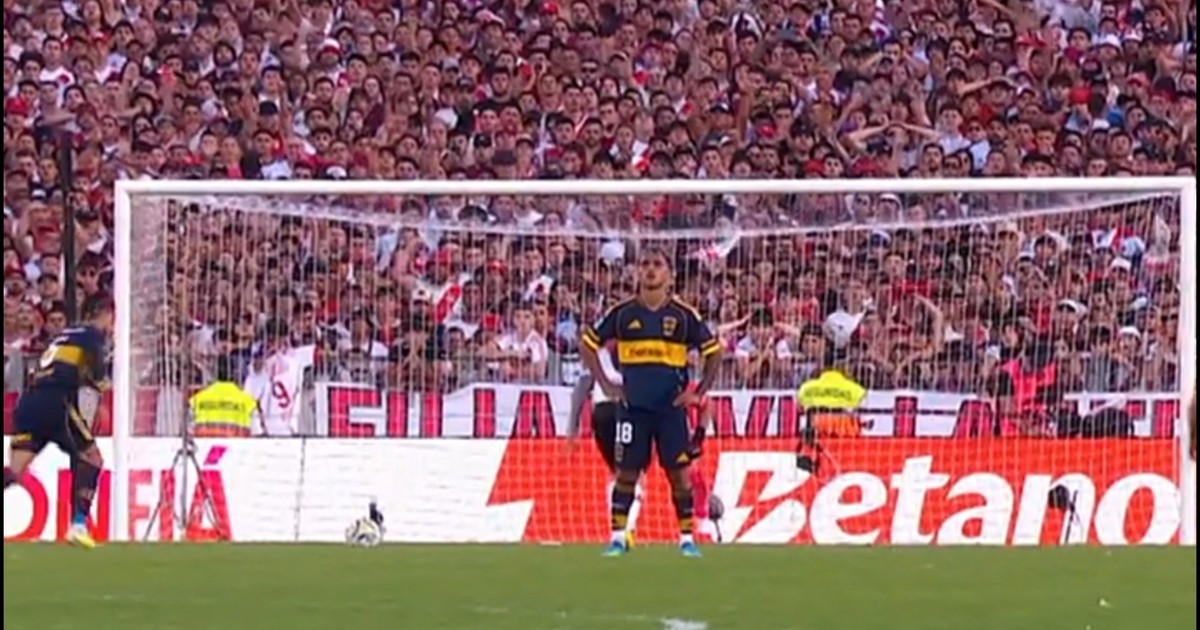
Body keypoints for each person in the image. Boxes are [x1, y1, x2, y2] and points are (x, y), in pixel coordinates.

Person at [580, 247, 722, 558]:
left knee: (679, 475)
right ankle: (618, 538)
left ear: (669, 274)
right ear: (637, 272)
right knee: (626, 473)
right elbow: (588, 343)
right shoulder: (622, 313)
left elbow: (714, 351)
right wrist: (606, 383)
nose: (650, 269)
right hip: (633, 409)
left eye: (657, 264)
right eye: (644, 264)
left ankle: (687, 539)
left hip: (670, 410)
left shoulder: (683, 315)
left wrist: (698, 392)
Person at [4, 294, 114, 549]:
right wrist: (103, 402)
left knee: (15, 471)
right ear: (105, 314)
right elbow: (97, 374)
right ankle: (78, 525)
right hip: (57, 403)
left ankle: (78, 524)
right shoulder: (93, 335)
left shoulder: (64, 335)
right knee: (92, 458)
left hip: (29, 402)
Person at [570, 342, 644, 549]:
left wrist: (572, 429)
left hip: (601, 412)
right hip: (626, 411)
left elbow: (581, 389)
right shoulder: (641, 349)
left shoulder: (598, 352)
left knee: (616, 473)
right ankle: (627, 528)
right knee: (634, 472)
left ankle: (617, 532)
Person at [190, 356, 257, 438]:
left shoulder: (196, 400)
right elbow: (257, 433)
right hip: (237, 445)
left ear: (214, 373)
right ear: (233, 373)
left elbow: (187, 432)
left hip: (203, 445)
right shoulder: (248, 402)